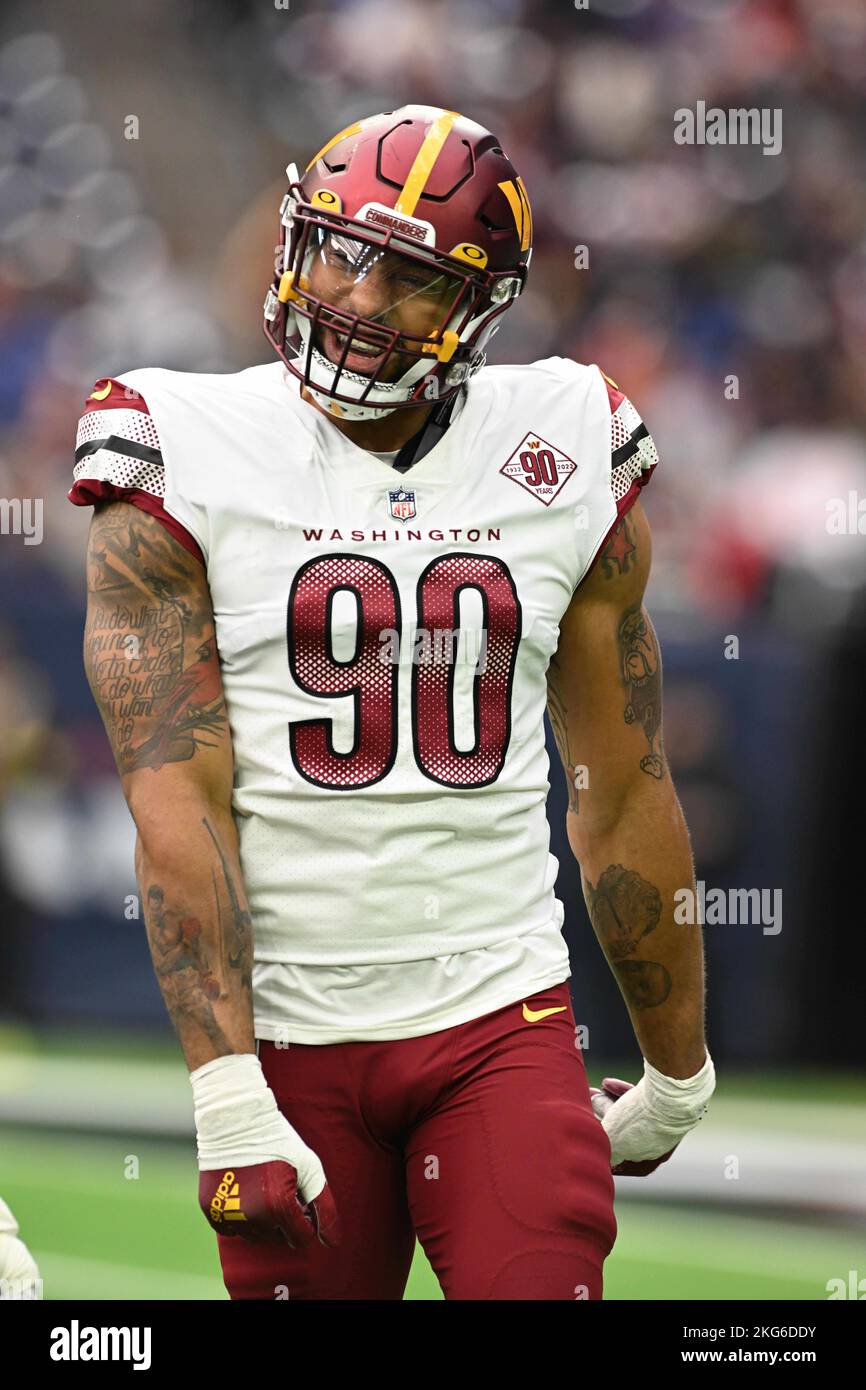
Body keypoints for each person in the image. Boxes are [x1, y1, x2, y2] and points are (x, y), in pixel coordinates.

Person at [69, 104, 714, 1300]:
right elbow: (174, 796)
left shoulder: (563, 439)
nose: (359, 299)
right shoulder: (178, 440)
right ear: (291, 242)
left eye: (411, 278)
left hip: (498, 1021)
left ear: (480, 306)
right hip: (293, 1039)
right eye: (337, 251)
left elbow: (620, 786)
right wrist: (224, 1089)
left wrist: (677, 1072)